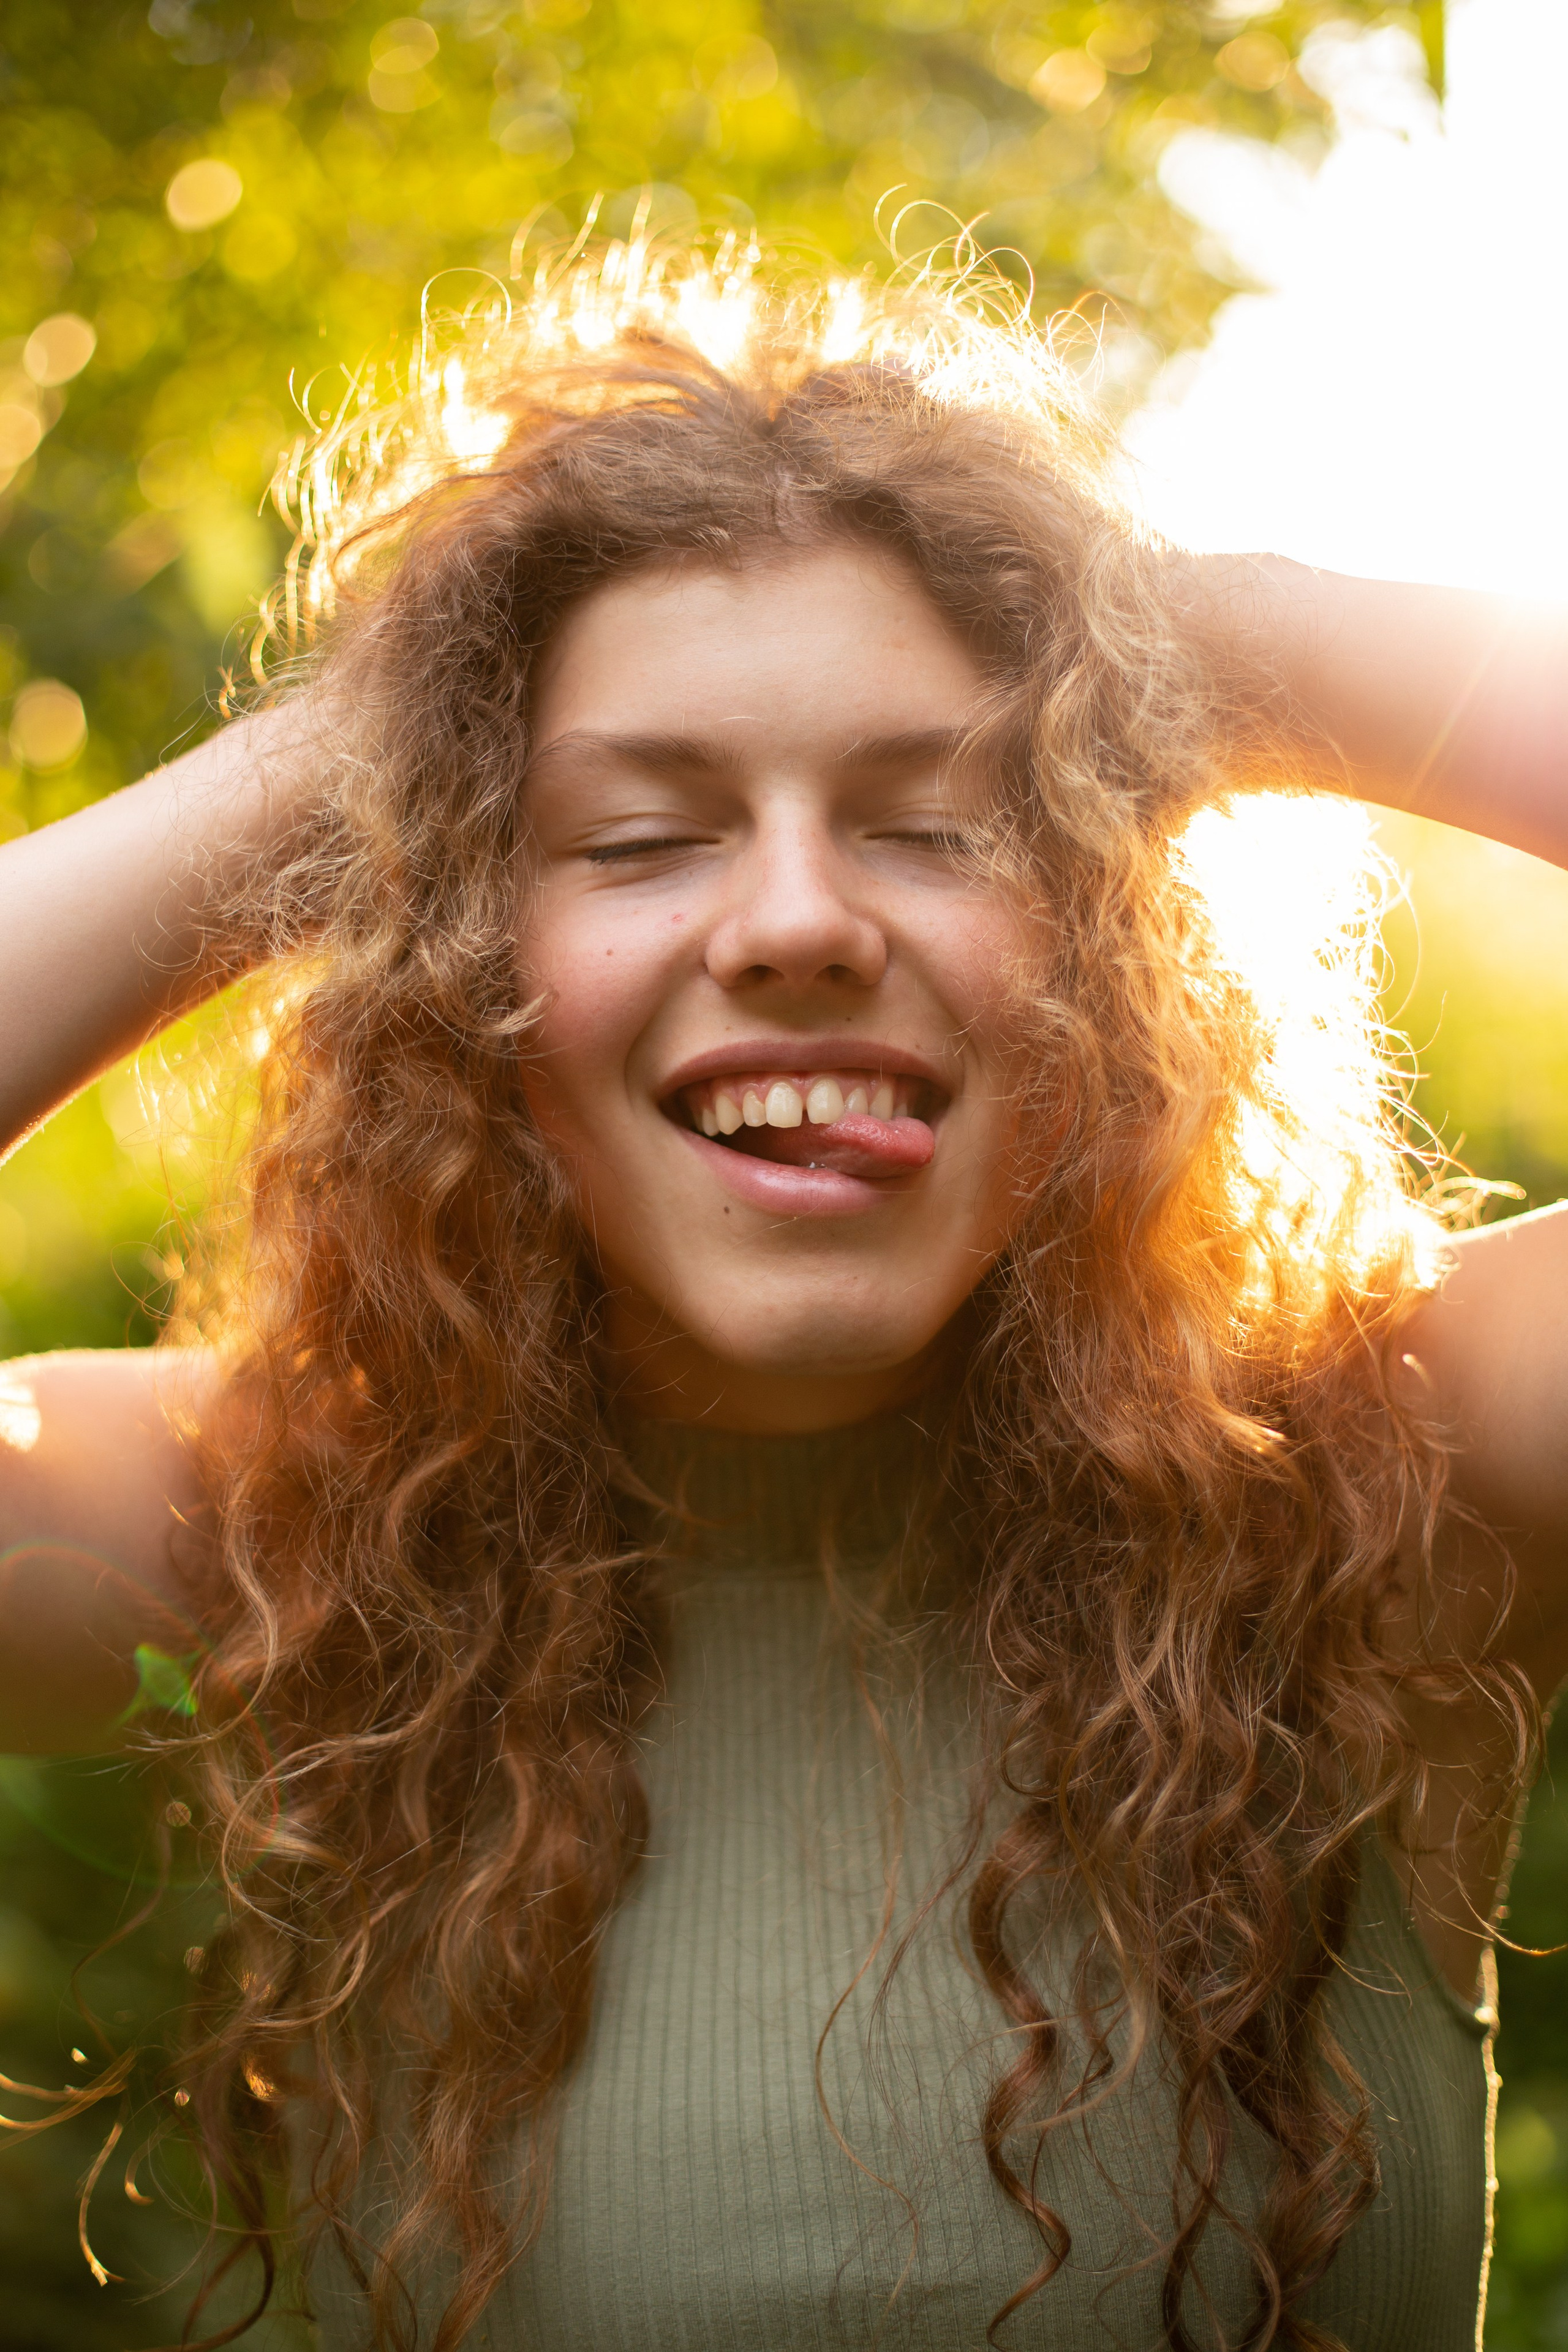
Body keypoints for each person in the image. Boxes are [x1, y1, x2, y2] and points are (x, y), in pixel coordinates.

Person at [1, 239, 1565, 2352]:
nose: (800, 921)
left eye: (941, 823)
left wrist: (1229, 638)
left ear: (1108, 935)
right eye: (637, 839)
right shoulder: (273, 1524)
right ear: (460, 959)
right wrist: (350, 761)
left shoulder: (1402, 1454)